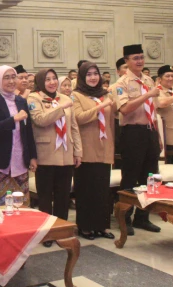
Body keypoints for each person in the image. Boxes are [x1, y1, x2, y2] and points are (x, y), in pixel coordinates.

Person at [28, 68, 82, 247]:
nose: (52, 82)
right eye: (47, 79)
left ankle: (61, 230)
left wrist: (78, 151)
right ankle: (46, 233)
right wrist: (60, 108)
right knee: (45, 196)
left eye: (53, 79)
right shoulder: (34, 98)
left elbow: (73, 127)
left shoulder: (65, 98)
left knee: (63, 195)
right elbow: (40, 120)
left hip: (66, 153)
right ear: (41, 81)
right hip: (46, 154)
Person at [114, 44, 161, 235]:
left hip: (149, 131)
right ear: (126, 61)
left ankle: (143, 217)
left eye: (141, 57)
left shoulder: (148, 80)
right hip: (132, 133)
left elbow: (154, 109)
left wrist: (156, 135)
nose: (140, 61)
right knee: (130, 177)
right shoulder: (121, 84)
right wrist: (147, 95)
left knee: (149, 177)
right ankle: (125, 219)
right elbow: (124, 109)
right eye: (135, 58)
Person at [72, 62, 116, 241]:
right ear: (82, 77)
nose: (92, 77)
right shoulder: (76, 95)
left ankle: (102, 226)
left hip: (104, 147)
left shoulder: (106, 94)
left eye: (95, 74)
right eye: (88, 74)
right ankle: (85, 226)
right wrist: (100, 106)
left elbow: (111, 122)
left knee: (102, 190)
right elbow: (79, 118)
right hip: (86, 148)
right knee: (85, 189)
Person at [0, 65, 37, 207]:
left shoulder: (21, 101)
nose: (11, 81)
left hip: (20, 160)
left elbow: (28, 132)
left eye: (14, 77)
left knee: (20, 208)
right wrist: (14, 119)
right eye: (6, 78)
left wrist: (32, 156)